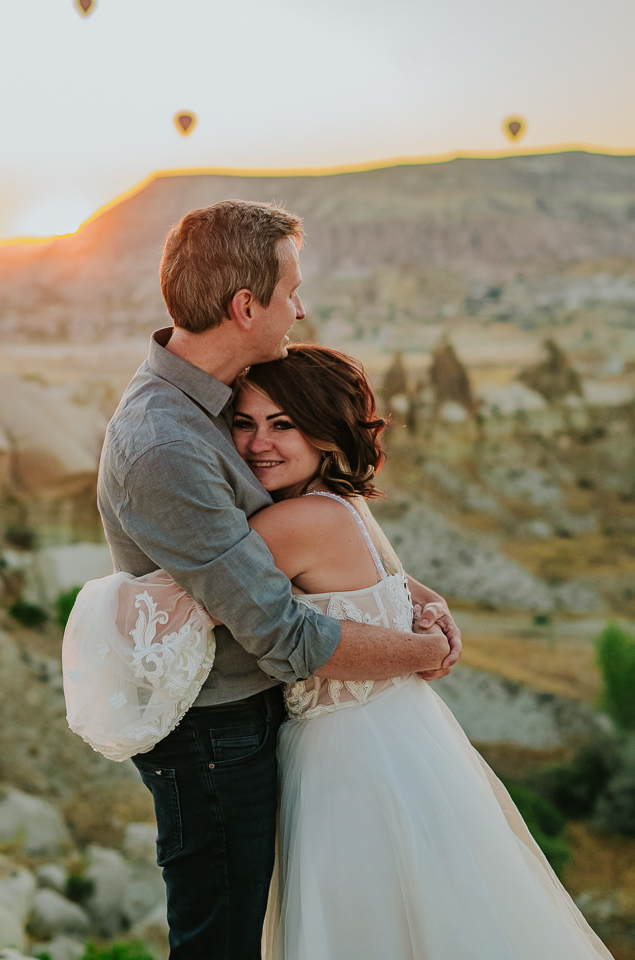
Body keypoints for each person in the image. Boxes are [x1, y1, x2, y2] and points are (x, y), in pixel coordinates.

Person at [95, 200, 461, 960]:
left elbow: (312, 521)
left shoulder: (231, 395)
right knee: (222, 942)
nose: (303, 307)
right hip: (213, 736)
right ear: (245, 305)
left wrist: (414, 596)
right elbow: (286, 636)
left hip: (263, 719)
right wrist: (420, 654)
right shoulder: (166, 443)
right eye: (293, 289)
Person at [228, 343, 613, 960]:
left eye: (282, 425)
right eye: (243, 423)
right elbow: (392, 584)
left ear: (325, 434)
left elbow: (201, 587)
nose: (256, 444)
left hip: (346, 762)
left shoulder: (296, 521)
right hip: (403, 740)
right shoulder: (341, 503)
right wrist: (428, 625)